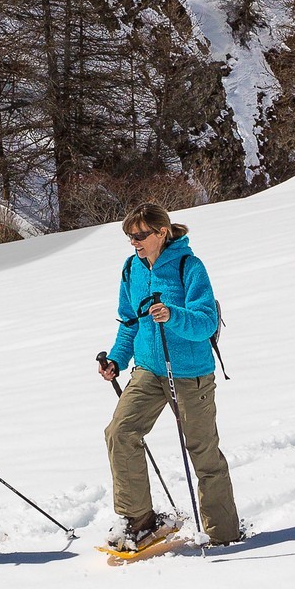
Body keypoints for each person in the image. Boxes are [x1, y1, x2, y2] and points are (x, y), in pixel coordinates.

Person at [98, 203, 241, 548]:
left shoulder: (188, 266)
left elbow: (205, 321)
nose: (135, 242)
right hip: (149, 369)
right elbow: (129, 323)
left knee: (203, 454)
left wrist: (172, 314)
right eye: (130, 236)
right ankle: (140, 522)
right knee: (120, 432)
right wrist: (116, 360)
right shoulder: (131, 269)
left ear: (162, 232)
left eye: (141, 235)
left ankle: (224, 534)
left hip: (190, 373)